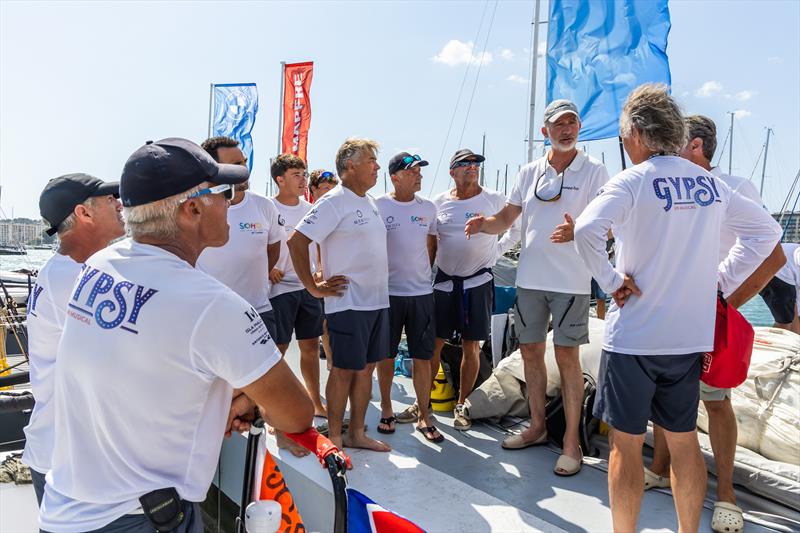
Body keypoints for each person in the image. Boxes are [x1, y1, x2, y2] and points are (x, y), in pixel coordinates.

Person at [39, 138, 314, 532]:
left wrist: (220, 400)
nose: (232, 202)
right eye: (224, 192)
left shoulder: (99, 265)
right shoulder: (213, 305)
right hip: (141, 519)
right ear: (194, 208)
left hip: (64, 507)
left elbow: (143, 363)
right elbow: (296, 413)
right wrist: (247, 397)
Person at [573, 84, 782, 532]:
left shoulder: (632, 180)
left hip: (635, 337)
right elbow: (766, 232)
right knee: (685, 441)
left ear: (636, 134)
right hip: (689, 337)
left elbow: (587, 229)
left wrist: (611, 283)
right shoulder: (710, 184)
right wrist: (718, 282)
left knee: (626, 447)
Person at [646, 114, 789, 533]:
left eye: (675, 142)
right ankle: (658, 465)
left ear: (695, 146)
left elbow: (774, 256)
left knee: (715, 400)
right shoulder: (667, 187)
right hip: (668, 311)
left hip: (709, 313)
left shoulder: (737, 189)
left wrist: (725, 305)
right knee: (664, 394)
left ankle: (725, 493)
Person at [465, 100, 609, 475]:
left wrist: (580, 230)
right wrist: (484, 224)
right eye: (559, 124)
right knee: (530, 353)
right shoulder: (528, 172)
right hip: (529, 279)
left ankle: (571, 443)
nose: (567, 129)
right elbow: (507, 218)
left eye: (572, 123)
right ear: (545, 131)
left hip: (573, 282)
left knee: (567, 359)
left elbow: (609, 221)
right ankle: (537, 426)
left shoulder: (594, 170)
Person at [23, 174, 125, 506]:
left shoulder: (63, 269)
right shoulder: (80, 276)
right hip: (73, 466)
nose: (120, 205)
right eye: (111, 200)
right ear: (84, 213)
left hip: (57, 451)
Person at [288, 138, 391, 454]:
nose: (376, 166)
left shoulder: (368, 201)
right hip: (348, 302)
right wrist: (312, 287)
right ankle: (333, 436)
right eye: (370, 160)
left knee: (366, 369)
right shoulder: (334, 201)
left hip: (377, 302)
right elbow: (296, 241)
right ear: (350, 166)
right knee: (343, 370)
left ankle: (356, 433)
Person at [429, 148, 519, 431]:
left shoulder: (494, 198)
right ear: (452, 172)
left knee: (472, 346)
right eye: (464, 164)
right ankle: (422, 402)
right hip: (444, 283)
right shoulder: (438, 203)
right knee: (434, 344)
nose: (472, 167)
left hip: (478, 282)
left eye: (476, 163)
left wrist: (498, 252)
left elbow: (515, 228)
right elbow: (430, 242)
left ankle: (462, 404)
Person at [375, 152, 442, 443]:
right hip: (387, 293)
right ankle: (387, 407)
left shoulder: (428, 208)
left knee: (423, 357)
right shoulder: (378, 205)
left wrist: (421, 274)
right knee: (386, 355)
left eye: (419, 171)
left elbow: (431, 245)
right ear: (396, 176)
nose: (419, 176)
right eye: (413, 171)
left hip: (421, 293)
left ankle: (424, 415)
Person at [196, 136, 283, 340]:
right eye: (236, 165)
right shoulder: (196, 208)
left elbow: (273, 250)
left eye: (244, 162)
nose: (245, 169)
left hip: (259, 312)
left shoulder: (265, 206)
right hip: (211, 315)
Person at [269, 155, 326, 417]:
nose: (303, 180)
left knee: (311, 347)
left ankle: (315, 402)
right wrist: (267, 268)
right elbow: (257, 244)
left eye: (304, 174)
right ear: (280, 179)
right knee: (277, 349)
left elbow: (321, 244)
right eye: (296, 175)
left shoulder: (311, 210)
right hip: (280, 289)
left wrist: (321, 269)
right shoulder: (267, 208)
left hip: (308, 287)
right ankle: (270, 408)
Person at [308, 169, 339, 364]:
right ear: (314, 189)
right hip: (316, 278)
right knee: (325, 324)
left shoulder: (338, 210)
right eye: (325, 188)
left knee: (335, 322)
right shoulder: (311, 211)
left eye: (332, 188)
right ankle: (331, 362)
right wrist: (319, 268)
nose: (329, 192)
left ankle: (335, 361)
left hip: (338, 274)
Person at [759, 242, 800, 333]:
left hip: (784, 268)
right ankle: (772, 344)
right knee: (785, 322)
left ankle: (791, 344)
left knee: (791, 318)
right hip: (775, 268)